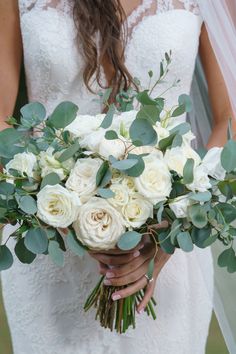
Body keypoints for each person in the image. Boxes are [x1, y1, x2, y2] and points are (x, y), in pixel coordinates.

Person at [0, 1, 234, 353]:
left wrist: (172, 230)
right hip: (49, 242)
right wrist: (60, 217)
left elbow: (229, 121)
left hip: (166, 251)